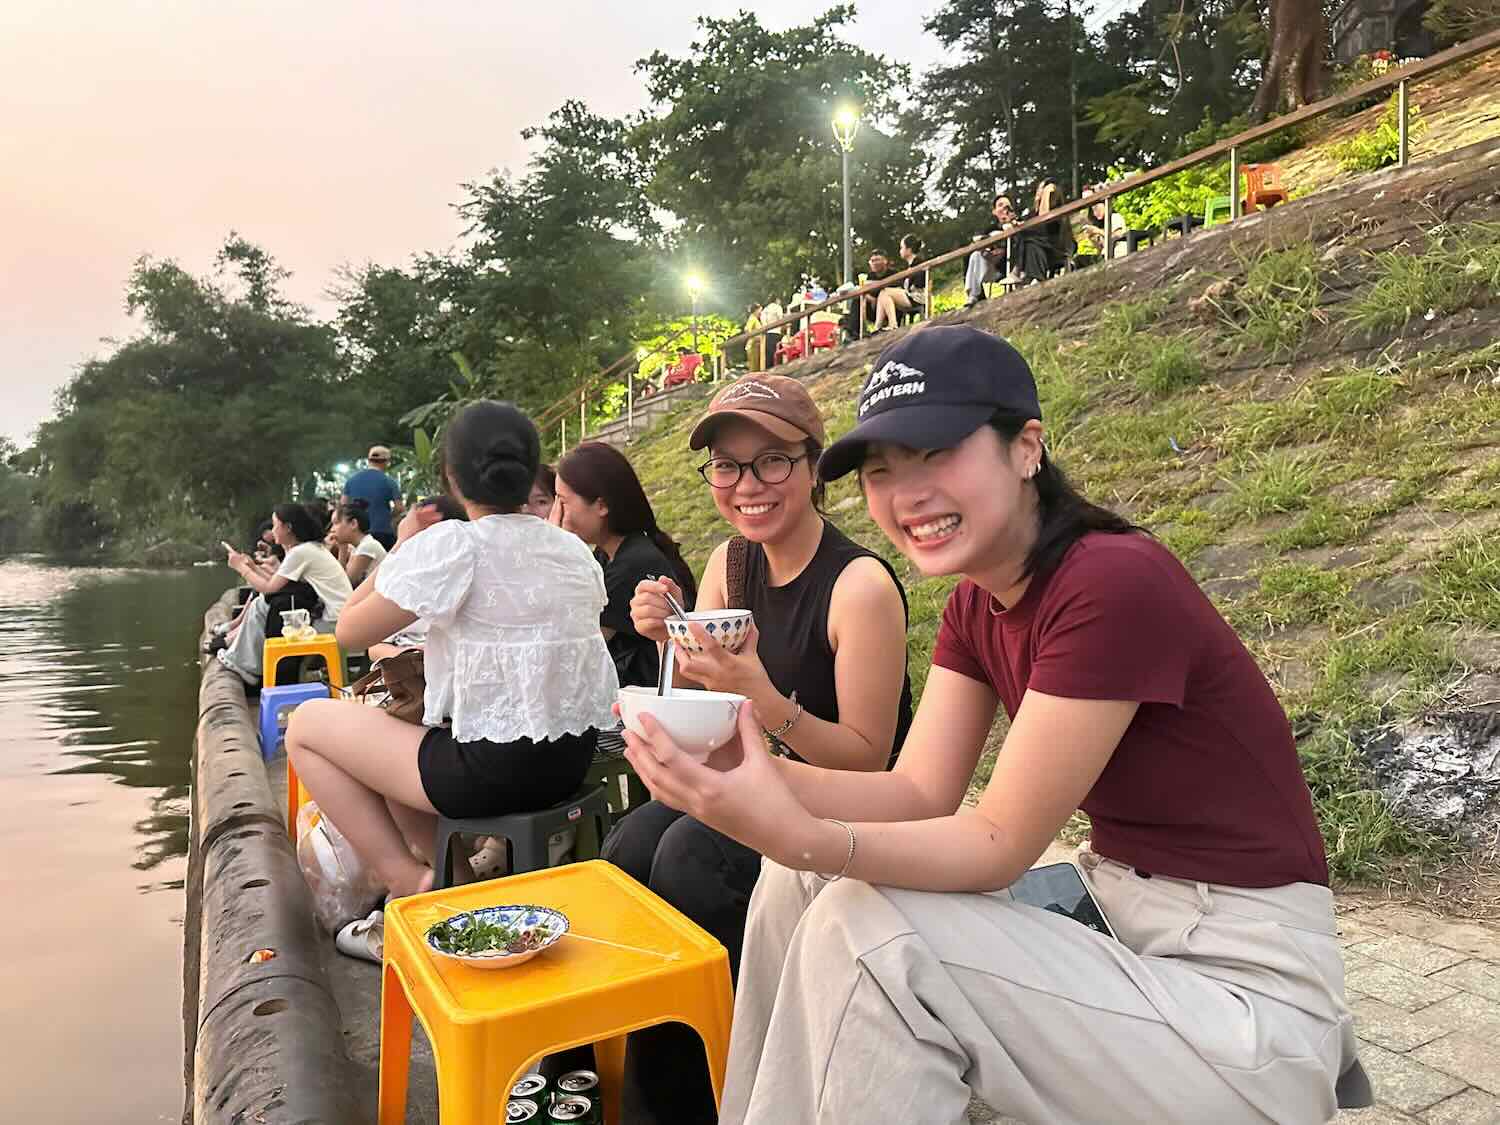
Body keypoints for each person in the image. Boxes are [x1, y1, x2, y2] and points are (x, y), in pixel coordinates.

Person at [622, 326, 1363, 1125]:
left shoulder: (1112, 581)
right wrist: (734, 777)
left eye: (936, 453)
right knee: (803, 880)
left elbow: (999, 841)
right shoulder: (978, 602)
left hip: (1243, 989)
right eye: (881, 470)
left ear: (1026, 447)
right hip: (1120, 925)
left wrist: (794, 828)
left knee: (869, 931)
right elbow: (916, 789)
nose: (906, 494)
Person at [602, 373, 915, 1124]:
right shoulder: (729, 564)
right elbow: (709, 707)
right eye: (728, 465)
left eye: (773, 460)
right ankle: (635, 1083)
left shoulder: (859, 585)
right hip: (756, 783)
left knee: (688, 858)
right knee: (628, 848)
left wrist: (769, 699)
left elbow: (872, 758)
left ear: (813, 467)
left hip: (852, 806)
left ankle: (725, 1090)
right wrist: (670, 637)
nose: (749, 485)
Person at [285, 400, 618, 913]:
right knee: (400, 739)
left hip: (493, 772)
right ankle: (459, 885)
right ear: (531, 472)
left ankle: (408, 881)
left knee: (306, 726)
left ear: (451, 477)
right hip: (572, 759)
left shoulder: (453, 545)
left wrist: (402, 546)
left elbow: (349, 629)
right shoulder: (572, 549)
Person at [553, 441, 698, 689]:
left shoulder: (632, 565)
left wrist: (554, 548)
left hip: (650, 700)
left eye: (563, 501)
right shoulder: (607, 554)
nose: (557, 512)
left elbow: (577, 651)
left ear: (601, 506)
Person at [218, 503, 355, 686]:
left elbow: (269, 588)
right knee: (262, 604)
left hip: (333, 623)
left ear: (288, 528)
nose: (272, 530)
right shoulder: (308, 548)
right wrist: (251, 567)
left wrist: (241, 568)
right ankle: (246, 663)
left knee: (263, 604)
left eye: (275, 525)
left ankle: (246, 664)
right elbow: (276, 582)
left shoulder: (301, 552)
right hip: (338, 617)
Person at [366, 495, 469, 664]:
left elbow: (351, 633)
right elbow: (374, 646)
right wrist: (411, 656)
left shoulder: (464, 578)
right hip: (410, 671)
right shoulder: (406, 579)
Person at [341, 445, 403, 549]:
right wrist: (390, 516)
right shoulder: (389, 482)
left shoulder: (351, 480)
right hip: (383, 532)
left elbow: (343, 505)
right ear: (387, 462)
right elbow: (399, 508)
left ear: (369, 460)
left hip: (357, 533)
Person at [964, 194, 1018, 307]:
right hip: (992, 267)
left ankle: (974, 294)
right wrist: (987, 252)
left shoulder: (1018, 222)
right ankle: (974, 295)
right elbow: (978, 241)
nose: (1004, 209)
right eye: (1000, 205)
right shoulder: (991, 229)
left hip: (1013, 264)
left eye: (1007, 206)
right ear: (994, 211)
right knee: (975, 255)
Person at [869, 233, 928, 332]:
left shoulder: (918, 262)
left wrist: (906, 288)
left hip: (917, 297)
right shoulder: (910, 265)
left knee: (885, 291)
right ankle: (877, 327)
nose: (900, 251)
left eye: (902, 248)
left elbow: (920, 283)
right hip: (910, 295)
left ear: (908, 250)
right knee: (883, 293)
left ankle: (893, 325)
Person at [329, 500, 387, 586]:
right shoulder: (358, 547)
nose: (332, 529)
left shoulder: (367, 546)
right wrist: (342, 547)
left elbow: (346, 584)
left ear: (353, 524)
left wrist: (342, 549)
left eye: (336, 523)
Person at [1075, 184, 1128, 266]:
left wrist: (1098, 231)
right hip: (1106, 257)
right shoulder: (1101, 224)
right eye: (1093, 210)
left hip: (1119, 255)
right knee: (1079, 259)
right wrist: (1092, 238)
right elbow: (1101, 248)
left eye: (1096, 208)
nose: (1095, 212)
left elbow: (1117, 236)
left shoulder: (1115, 217)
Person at [745, 303, 766, 373]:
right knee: (754, 367)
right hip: (753, 345)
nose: (761, 313)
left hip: (757, 345)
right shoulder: (752, 318)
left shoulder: (756, 320)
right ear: (756, 310)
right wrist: (755, 337)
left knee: (757, 366)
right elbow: (747, 329)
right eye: (760, 310)